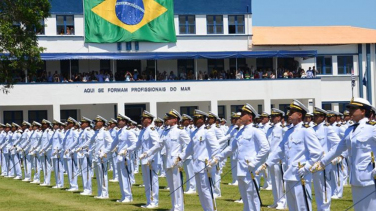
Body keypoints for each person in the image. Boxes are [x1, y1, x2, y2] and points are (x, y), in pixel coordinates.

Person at [257, 99, 323, 211]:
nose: (289, 115)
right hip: (289, 175)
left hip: (300, 175)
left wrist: (307, 167)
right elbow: (279, 150)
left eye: (292, 112)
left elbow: (318, 152)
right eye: (289, 112)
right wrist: (267, 164)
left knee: (303, 207)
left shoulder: (306, 131)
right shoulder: (288, 132)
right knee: (292, 207)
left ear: (300, 115)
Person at [311, 98, 376, 211]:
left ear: (363, 111)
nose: (350, 111)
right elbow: (338, 149)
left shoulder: (372, 128)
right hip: (356, 177)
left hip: (370, 177)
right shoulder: (350, 130)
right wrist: (322, 162)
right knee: (359, 208)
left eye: (354, 108)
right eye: (350, 108)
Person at [211, 104, 270, 211]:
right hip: (241, 169)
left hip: (251, 169)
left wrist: (254, 162)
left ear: (250, 117)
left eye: (243, 115)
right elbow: (231, 148)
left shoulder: (256, 131)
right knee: (245, 198)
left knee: (253, 197)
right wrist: (218, 158)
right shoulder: (240, 132)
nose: (240, 117)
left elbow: (265, 148)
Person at [141, 109, 190, 211]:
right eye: (167, 117)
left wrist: (181, 157)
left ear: (175, 119)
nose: (167, 119)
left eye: (170, 118)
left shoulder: (180, 130)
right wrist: (147, 153)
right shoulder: (166, 131)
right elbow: (159, 145)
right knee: (172, 186)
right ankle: (174, 207)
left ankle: (179, 208)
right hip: (168, 162)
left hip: (176, 162)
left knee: (177, 186)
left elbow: (189, 145)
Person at [178, 109, 219, 211]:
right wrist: (181, 157)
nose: (196, 120)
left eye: (198, 118)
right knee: (200, 191)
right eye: (195, 118)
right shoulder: (195, 133)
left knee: (206, 190)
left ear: (204, 119)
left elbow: (215, 148)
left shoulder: (207, 131)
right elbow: (190, 148)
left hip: (206, 165)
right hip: (197, 166)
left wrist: (213, 161)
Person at [311, 107, 341, 211]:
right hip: (314, 163)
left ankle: (325, 209)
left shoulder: (327, 129)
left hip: (323, 164)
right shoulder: (312, 129)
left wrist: (328, 157)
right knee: (318, 189)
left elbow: (337, 143)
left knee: (324, 189)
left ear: (322, 117)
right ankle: (321, 208)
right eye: (314, 116)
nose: (314, 117)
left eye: (316, 116)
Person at [135, 111, 161, 208]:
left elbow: (157, 144)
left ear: (149, 120)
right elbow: (137, 144)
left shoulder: (151, 130)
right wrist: (127, 150)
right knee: (147, 181)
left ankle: (154, 201)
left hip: (151, 160)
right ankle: (149, 201)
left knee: (153, 181)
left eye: (144, 118)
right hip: (144, 160)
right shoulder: (143, 131)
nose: (141, 120)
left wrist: (148, 154)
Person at [110, 114, 137, 203]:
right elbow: (113, 143)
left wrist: (127, 150)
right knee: (121, 178)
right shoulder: (120, 132)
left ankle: (128, 196)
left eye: (120, 120)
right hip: (119, 157)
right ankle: (124, 196)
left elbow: (135, 144)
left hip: (126, 157)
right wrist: (106, 151)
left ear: (125, 122)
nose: (118, 122)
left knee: (126, 177)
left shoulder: (129, 131)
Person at [265, 108, 287, 209]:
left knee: (280, 182)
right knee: (274, 181)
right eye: (272, 116)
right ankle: (276, 201)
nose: (272, 118)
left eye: (274, 116)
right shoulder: (269, 129)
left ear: (279, 118)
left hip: (279, 160)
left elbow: (285, 145)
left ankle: (282, 201)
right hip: (270, 159)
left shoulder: (283, 128)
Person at [75, 117, 95, 195]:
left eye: (82, 123)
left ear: (87, 124)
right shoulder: (82, 132)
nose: (81, 124)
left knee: (86, 171)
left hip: (86, 153)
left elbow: (91, 141)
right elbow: (77, 142)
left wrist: (83, 147)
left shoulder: (88, 131)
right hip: (81, 153)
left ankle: (88, 189)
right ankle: (85, 188)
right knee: (83, 171)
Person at [62, 117, 80, 191]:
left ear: (73, 124)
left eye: (69, 123)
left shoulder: (74, 131)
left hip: (71, 153)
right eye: (68, 123)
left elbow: (77, 142)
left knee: (72, 169)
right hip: (66, 153)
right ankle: (71, 185)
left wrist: (71, 149)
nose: (68, 124)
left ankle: (74, 186)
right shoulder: (67, 132)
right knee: (68, 170)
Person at [180, 114, 196, 194]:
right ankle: (188, 187)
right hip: (185, 153)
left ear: (189, 121)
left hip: (189, 154)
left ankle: (192, 188)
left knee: (190, 171)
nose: (183, 122)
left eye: (184, 120)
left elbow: (192, 141)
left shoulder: (191, 129)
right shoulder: (184, 129)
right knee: (187, 171)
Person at [37, 120, 54, 186]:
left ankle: (47, 181)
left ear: (47, 125)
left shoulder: (48, 132)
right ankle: (45, 180)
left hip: (46, 152)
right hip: (43, 151)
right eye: (42, 124)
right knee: (44, 166)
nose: (42, 125)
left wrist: (46, 150)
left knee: (47, 166)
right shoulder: (43, 132)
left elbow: (50, 143)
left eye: (44, 124)